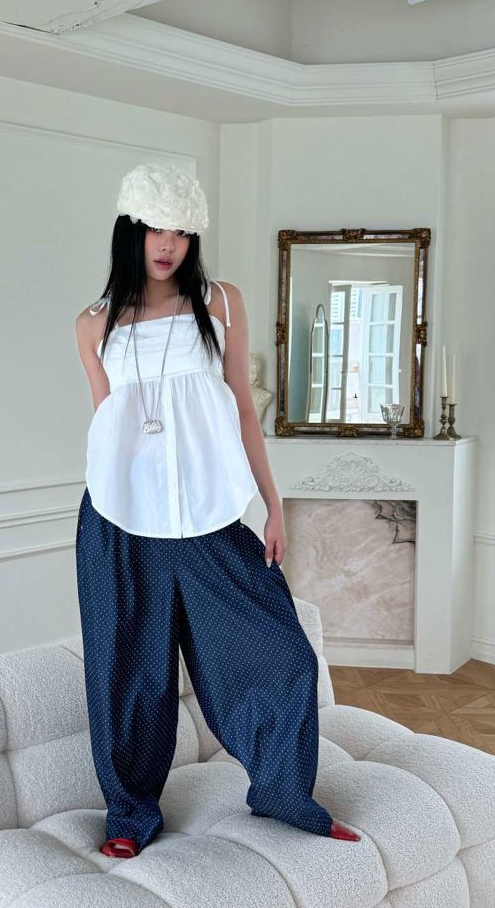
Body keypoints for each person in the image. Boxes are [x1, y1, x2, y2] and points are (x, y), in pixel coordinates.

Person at [74, 162, 360, 858]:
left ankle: (285, 794)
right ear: (130, 232)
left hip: (210, 518)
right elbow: (108, 428)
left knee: (284, 655)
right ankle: (129, 818)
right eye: (154, 229)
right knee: (126, 673)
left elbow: (243, 412)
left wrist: (274, 506)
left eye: (180, 231)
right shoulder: (94, 324)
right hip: (120, 523)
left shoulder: (221, 303)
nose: (167, 243)